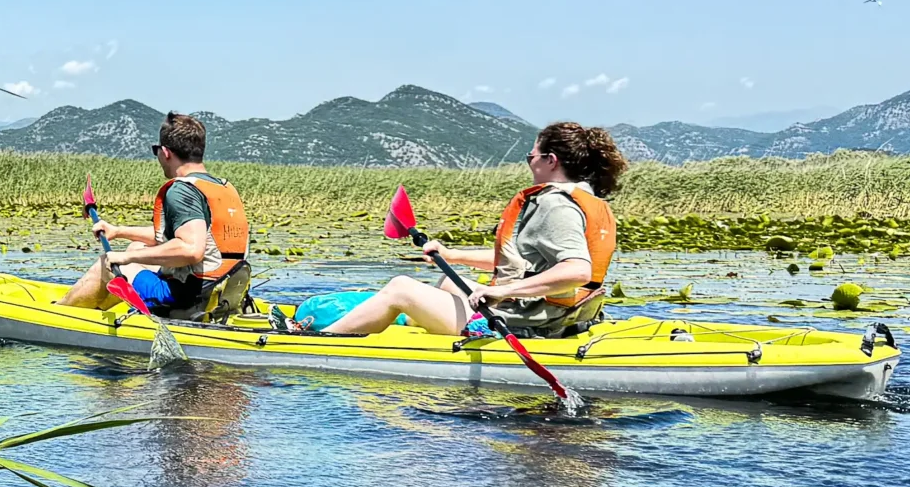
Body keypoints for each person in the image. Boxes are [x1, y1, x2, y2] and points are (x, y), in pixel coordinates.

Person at [317, 121, 625, 339]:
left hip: (532, 324)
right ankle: (409, 322)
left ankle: (316, 343)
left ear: (551, 160)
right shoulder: (587, 200)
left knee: (401, 287)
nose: (529, 162)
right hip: (563, 316)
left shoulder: (555, 205)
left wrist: (502, 290)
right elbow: (521, 263)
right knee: (449, 283)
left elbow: (577, 271)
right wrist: (452, 254)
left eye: (531, 156)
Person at [60, 112, 250, 317]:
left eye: (156, 150)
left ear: (166, 152)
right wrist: (118, 231)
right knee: (136, 247)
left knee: (107, 263)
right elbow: (183, 236)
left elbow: (191, 248)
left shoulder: (182, 190)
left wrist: (125, 257)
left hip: (188, 298)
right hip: (221, 291)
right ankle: (99, 309)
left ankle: (60, 315)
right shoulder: (222, 187)